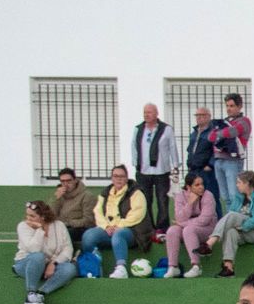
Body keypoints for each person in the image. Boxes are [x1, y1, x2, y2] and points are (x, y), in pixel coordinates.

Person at [81, 165, 147, 279]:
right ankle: (94, 265)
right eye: (116, 176)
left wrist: (118, 226)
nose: (119, 179)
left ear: (127, 178)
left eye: (122, 176)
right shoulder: (105, 193)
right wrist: (106, 226)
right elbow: (98, 211)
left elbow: (137, 213)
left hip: (132, 231)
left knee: (118, 234)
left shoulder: (136, 193)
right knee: (89, 236)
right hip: (108, 229)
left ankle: (121, 268)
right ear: (112, 178)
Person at [203, 170, 254, 278]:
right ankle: (228, 268)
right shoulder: (239, 197)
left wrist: (243, 226)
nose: (237, 185)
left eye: (239, 182)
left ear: (247, 183)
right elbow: (232, 213)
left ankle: (209, 243)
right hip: (241, 231)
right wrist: (239, 227)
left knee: (232, 216)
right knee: (231, 232)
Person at [14, 199, 76, 304]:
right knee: (38, 256)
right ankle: (31, 294)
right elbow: (34, 249)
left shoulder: (59, 225)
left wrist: (54, 263)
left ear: (42, 216)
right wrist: (40, 229)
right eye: (27, 215)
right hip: (26, 264)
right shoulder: (23, 226)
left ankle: (40, 294)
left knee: (69, 268)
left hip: (48, 265)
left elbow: (67, 249)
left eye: (32, 216)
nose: (28, 218)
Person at [129, 103, 178, 232]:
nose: (146, 115)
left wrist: (175, 165)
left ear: (156, 114)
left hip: (162, 171)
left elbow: (172, 147)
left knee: (162, 200)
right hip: (143, 171)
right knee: (145, 200)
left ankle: (162, 227)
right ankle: (149, 227)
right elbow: (134, 146)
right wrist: (135, 163)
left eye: (149, 112)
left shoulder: (166, 129)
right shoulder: (138, 129)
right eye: (145, 112)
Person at [163, 172, 217, 278]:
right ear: (188, 187)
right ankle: (173, 267)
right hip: (188, 227)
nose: (201, 187)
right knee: (172, 231)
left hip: (207, 229)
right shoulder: (180, 196)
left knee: (188, 229)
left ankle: (196, 266)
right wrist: (190, 203)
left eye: (202, 184)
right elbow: (179, 217)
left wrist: (182, 224)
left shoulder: (208, 195)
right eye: (197, 185)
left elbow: (204, 220)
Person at [208, 93, 251, 215]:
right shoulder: (224, 122)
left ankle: (237, 220)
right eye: (227, 106)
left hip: (233, 161)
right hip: (219, 161)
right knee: (225, 197)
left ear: (239, 106)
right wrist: (220, 133)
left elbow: (233, 132)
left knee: (234, 195)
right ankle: (229, 220)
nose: (228, 109)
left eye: (232, 106)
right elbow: (210, 137)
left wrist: (219, 133)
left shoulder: (244, 121)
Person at [51, 168, 94, 247]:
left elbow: (89, 220)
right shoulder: (60, 195)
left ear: (75, 180)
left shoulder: (87, 196)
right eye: (63, 181)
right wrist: (56, 199)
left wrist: (68, 223)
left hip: (79, 228)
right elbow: (50, 215)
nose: (66, 184)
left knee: (64, 233)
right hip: (61, 226)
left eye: (69, 181)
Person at [187, 107, 217, 191]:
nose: (198, 117)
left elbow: (217, 150)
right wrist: (189, 163)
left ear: (208, 116)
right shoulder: (194, 133)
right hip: (193, 169)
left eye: (201, 115)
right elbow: (190, 150)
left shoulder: (213, 132)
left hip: (206, 170)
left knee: (210, 193)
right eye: (197, 115)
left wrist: (210, 165)